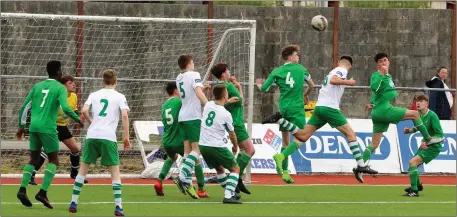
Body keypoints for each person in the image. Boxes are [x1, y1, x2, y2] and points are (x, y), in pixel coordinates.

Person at [262, 56, 378, 183]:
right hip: (330, 108)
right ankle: (361, 166)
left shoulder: (333, 71)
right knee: (350, 134)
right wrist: (349, 82)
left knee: (302, 136)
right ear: (349, 66)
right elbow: (334, 80)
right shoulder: (342, 70)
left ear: (338, 62)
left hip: (319, 108)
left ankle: (280, 120)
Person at [16, 60, 83, 209]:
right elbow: (65, 108)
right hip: (48, 128)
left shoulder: (37, 86)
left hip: (33, 127)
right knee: (53, 160)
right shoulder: (60, 87)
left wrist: (21, 127)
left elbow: (23, 108)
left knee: (33, 158)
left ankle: (22, 189)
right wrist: (78, 119)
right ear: (59, 72)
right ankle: (42, 193)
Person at [363, 53, 443, 166]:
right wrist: (381, 72)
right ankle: (428, 139)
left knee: (374, 145)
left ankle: (360, 166)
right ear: (377, 65)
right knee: (415, 114)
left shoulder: (387, 76)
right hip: (384, 109)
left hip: (377, 111)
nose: (383, 63)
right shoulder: (377, 74)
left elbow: (376, 93)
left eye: (385, 60)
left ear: (389, 62)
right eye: (380, 61)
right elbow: (373, 86)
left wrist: (372, 103)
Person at [68, 69, 130, 216]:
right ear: (116, 82)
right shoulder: (119, 96)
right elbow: (125, 115)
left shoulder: (94, 95)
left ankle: (73, 202)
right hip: (108, 137)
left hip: (92, 135)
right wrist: (126, 137)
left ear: (103, 81)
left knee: (83, 169)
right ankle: (118, 207)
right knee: (114, 172)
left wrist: (92, 122)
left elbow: (83, 110)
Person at [255, 45, 314, 184]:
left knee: (285, 141)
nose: (298, 57)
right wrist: (306, 95)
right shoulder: (301, 69)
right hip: (297, 108)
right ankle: (281, 156)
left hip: (283, 108)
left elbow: (264, 89)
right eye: (296, 55)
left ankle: (285, 173)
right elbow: (312, 84)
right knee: (301, 139)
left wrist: (258, 84)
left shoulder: (277, 71)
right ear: (290, 57)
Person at [28, 75, 88, 185]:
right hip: (52, 126)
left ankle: (74, 173)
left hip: (62, 127)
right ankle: (31, 175)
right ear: (63, 85)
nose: (74, 84)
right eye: (70, 82)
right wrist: (78, 119)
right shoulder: (58, 94)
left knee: (75, 149)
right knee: (46, 152)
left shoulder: (74, 96)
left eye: (74, 82)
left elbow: (73, 110)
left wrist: (82, 114)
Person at [196, 84, 242, 204]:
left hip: (203, 146)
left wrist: (227, 102)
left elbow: (217, 107)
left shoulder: (208, 105)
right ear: (225, 95)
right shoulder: (227, 114)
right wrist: (235, 146)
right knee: (235, 168)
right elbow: (232, 134)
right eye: (227, 92)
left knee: (219, 168)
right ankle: (228, 195)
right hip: (216, 146)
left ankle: (230, 190)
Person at [211, 63, 252, 195]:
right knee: (250, 149)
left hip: (233, 122)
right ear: (223, 74)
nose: (229, 72)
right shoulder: (228, 86)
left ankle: (236, 178)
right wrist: (239, 87)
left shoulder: (220, 86)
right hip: (236, 123)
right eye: (227, 71)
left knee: (244, 150)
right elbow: (240, 101)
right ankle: (236, 178)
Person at [174, 55, 209, 199]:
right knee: (197, 150)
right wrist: (209, 105)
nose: (194, 64)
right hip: (193, 117)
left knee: (187, 152)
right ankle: (182, 176)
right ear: (189, 64)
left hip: (182, 117)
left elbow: (192, 94)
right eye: (193, 62)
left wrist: (202, 88)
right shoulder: (194, 74)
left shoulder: (179, 78)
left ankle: (187, 182)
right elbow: (197, 93)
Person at [403, 95, 443, 197]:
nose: (418, 103)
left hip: (434, 146)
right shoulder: (419, 114)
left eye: (421, 101)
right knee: (412, 166)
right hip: (425, 144)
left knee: (412, 162)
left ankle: (414, 190)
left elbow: (440, 135)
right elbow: (418, 127)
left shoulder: (432, 116)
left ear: (427, 104)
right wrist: (409, 131)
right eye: (417, 101)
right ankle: (418, 185)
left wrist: (428, 143)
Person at [153, 82, 185, 196]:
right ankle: (201, 189)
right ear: (176, 90)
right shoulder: (179, 102)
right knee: (195, 159)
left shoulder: (164, 105)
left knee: (172, 157)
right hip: (179, 139)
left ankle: (159, 181)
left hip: (167, 140)